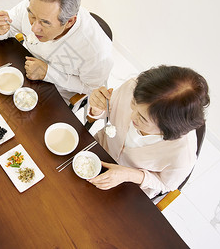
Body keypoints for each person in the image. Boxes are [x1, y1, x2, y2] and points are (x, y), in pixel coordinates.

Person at [0, 0, 113, 103]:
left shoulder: (96, 52)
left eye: (45, 22)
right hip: (24, 65)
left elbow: (92, 88)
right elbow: (8, 26)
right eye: (32, 16)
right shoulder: (38, 5)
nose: (34, 28)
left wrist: (48, 73)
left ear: (69, 22)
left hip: (57, 93)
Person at [87, 65, 210, 198]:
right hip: (96, 151)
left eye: (143, 118)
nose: (132, 116)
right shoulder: (135, 89)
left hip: (128, 189)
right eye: (133, 104)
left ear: (166, 129)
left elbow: (166, 185)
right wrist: (97, 107)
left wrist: (129, 174)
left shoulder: (182, 155)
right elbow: (106, 111)